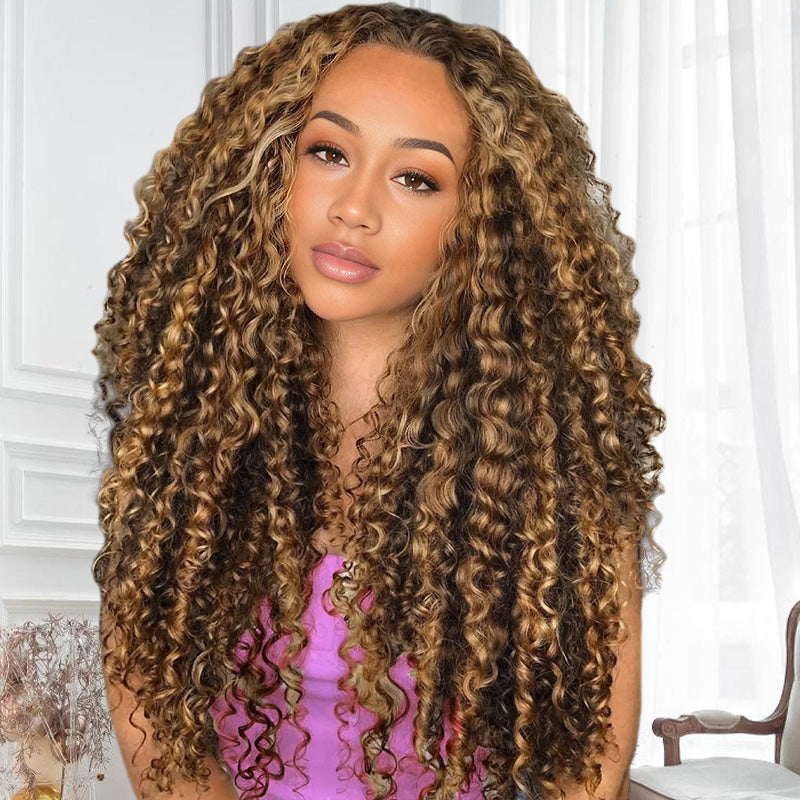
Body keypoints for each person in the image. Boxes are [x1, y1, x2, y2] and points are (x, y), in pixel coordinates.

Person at [90, 4, 665, 800]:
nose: (355, 208)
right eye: (328, 152)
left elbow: (587, 766)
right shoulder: (186, 437)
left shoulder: (558, 474)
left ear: (485, 225)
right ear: (268, 169)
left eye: (415, 178)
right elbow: (152, 715)